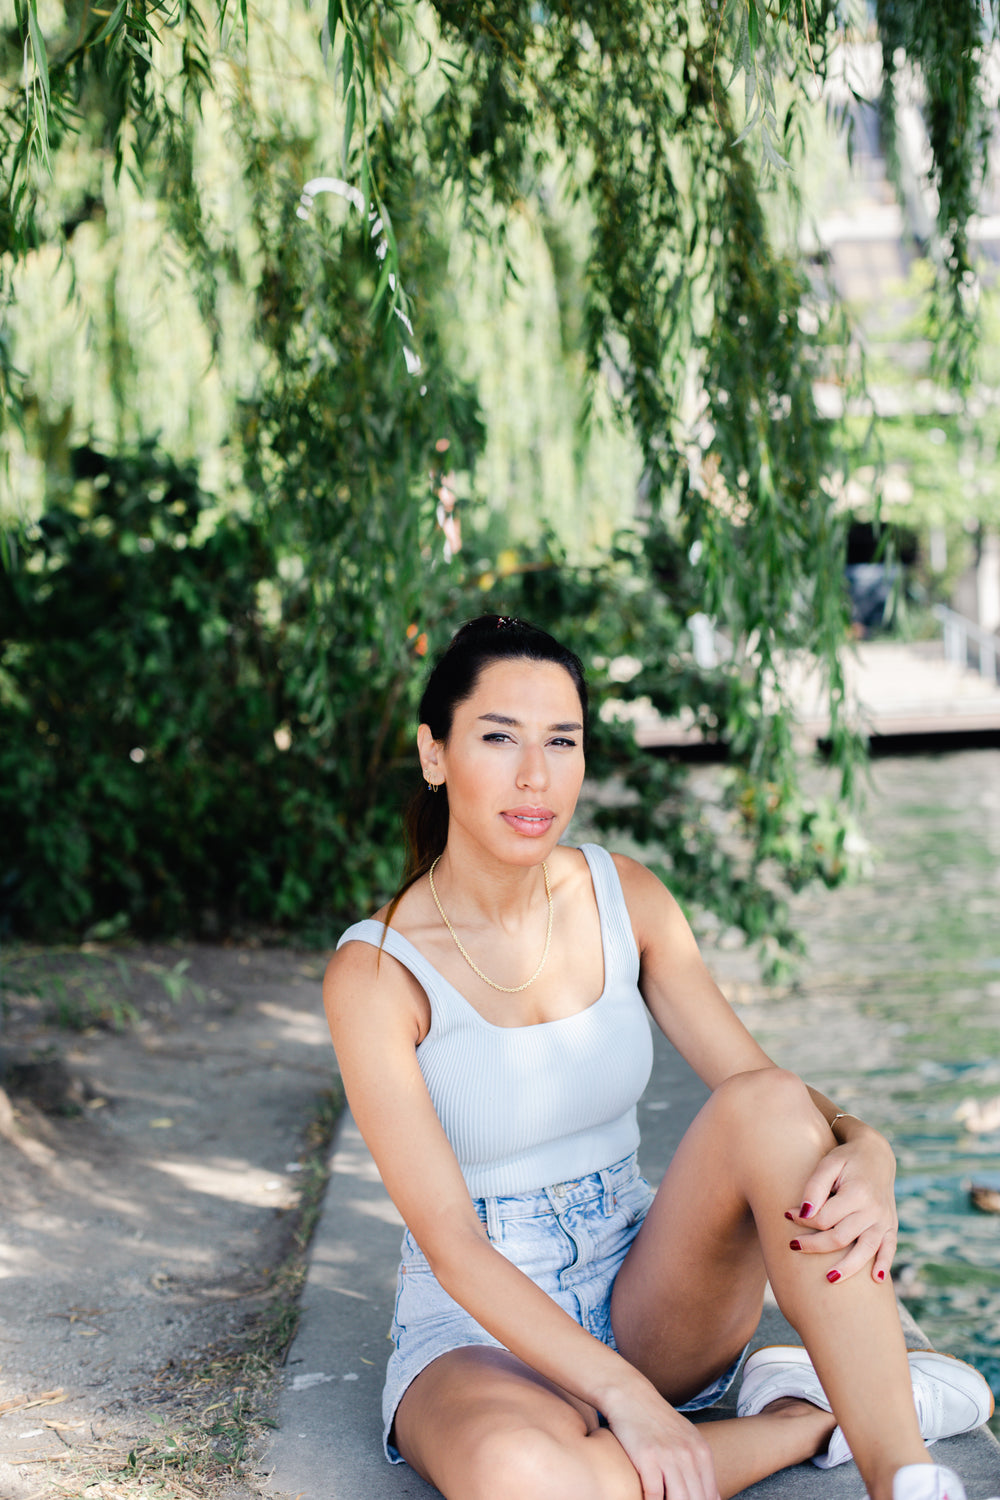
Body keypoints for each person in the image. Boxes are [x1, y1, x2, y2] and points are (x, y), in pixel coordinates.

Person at [324, 615, 996, 1500]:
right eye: (499, 738)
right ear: (434, 753)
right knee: (522, 1480)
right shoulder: (375, 973)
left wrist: (870, 1148)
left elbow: (767, 1093)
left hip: (652, 1290)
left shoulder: (624, 896)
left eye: (563, 742)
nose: (536, 776)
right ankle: (808, 1419)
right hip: (476, 1327)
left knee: (765, 1105)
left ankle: (901, 1472)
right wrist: (628, 1400)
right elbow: (451, 1244)